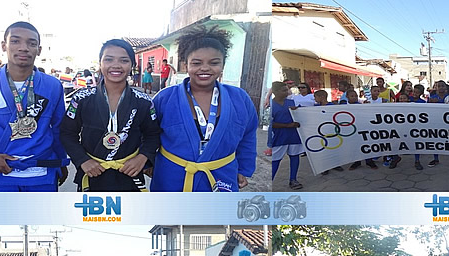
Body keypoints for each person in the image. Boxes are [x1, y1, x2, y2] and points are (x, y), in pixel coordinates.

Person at [0, 21, 69, 191]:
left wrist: (60, 160)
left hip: (41, 173)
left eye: (32, 43)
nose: (24, 48)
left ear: (39, 50)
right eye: (15, 41)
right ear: (4, 45)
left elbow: (59, 128)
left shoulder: (52, 85)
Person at [150, 26, 257, 192]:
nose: (205, 68)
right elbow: (148, 134)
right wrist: (147, 162)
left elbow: (248, 136)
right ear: (185, 65)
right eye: (196, 63)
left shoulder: (240, 99)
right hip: (172, 177)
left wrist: (243, 169)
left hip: (221, 175)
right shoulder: (164, 98)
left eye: (214, 63)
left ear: (223, 65)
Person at [61, 39, 159, 192]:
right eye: (108, 59)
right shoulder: (82, 98)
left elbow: (153, 135)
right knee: (93, 216)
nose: (116, 65)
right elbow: (67, 133)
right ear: (100, 64)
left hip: (129, 175)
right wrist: (82, 160)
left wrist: (143, 157)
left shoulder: (144, 102)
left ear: (132, 66)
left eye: (124, 60)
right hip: (92, 173)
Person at [270, 81, 304, 190]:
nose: (286, 92)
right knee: (275, 160)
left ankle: (293, 179)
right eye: (284, 90)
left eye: (287, 90)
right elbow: (271, 123)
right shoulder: (271, 105)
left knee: (294, 156)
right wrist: (287, 125)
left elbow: (301, 115)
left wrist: (298, 112)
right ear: (275, 92)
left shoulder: (292, 102)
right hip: (279, 137)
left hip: (293, 135)